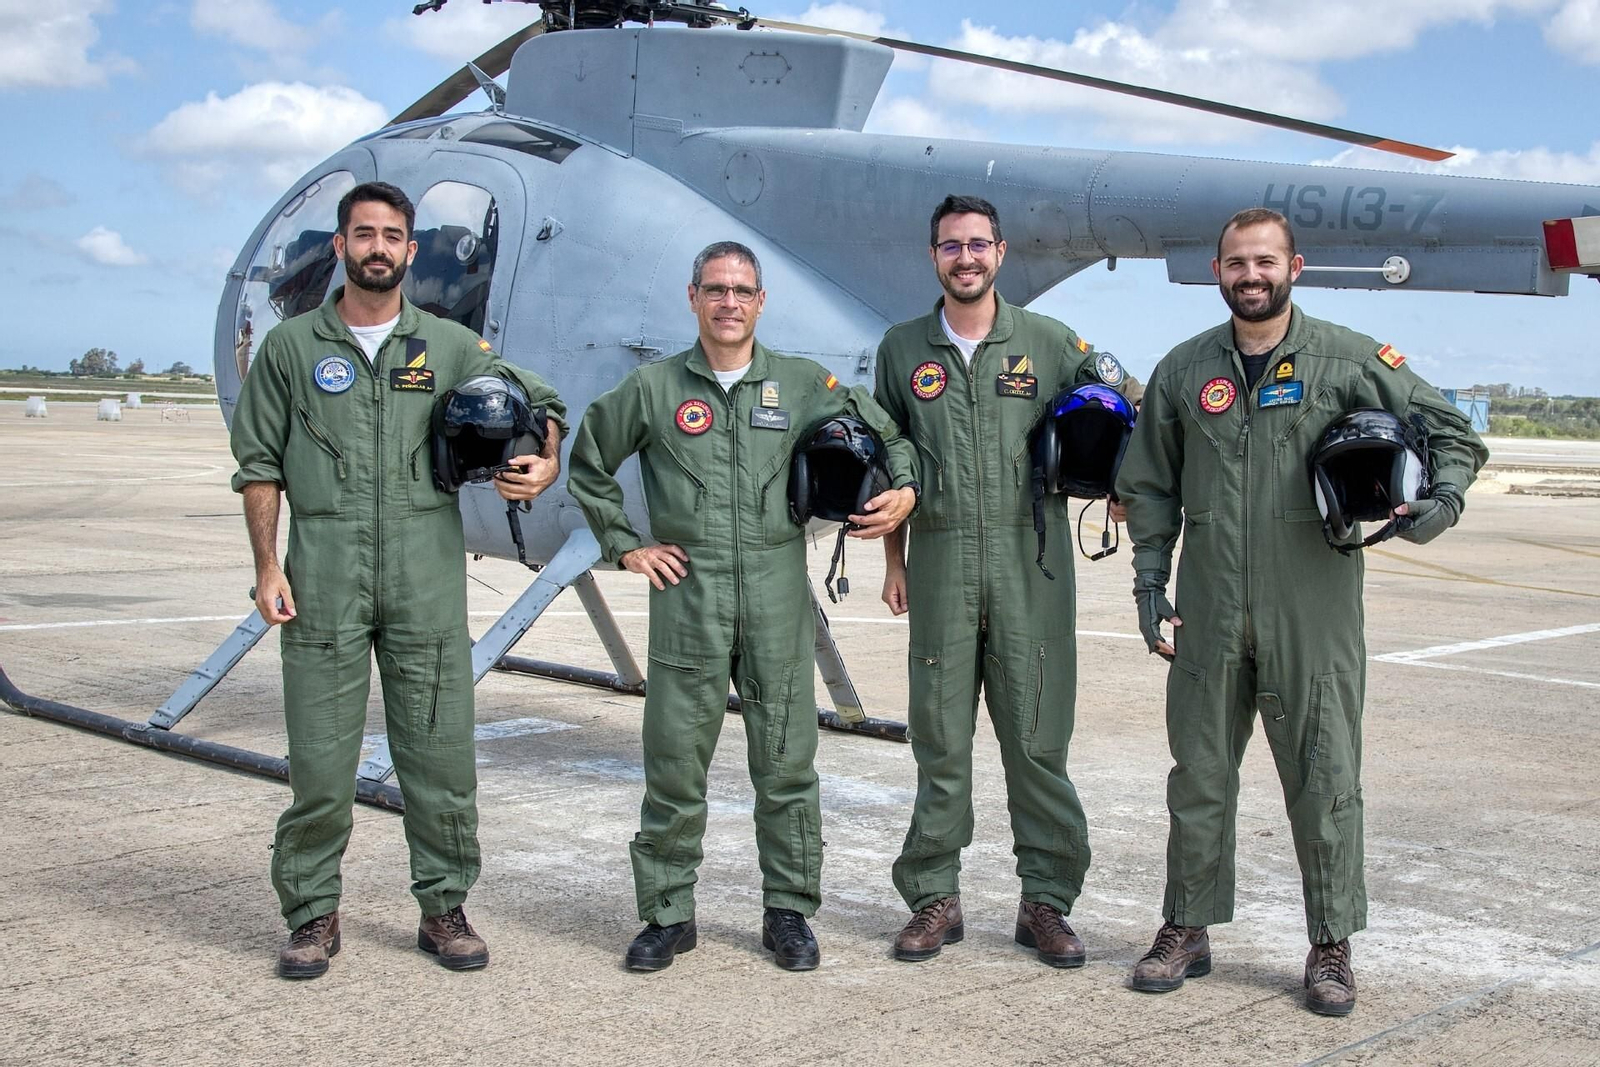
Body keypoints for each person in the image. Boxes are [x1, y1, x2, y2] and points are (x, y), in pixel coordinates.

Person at [1115, 207, 1488, 1016]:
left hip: (1312, 609)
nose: (1251, 275)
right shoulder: (1183, 372)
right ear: (1217, 272)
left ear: (1295, 266)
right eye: (1236, 262)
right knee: (1200, 776)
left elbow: (1453, 433)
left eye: (1265, 261)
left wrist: (1440, 502)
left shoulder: (1348, 359)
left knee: (1325, 778)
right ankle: (1187, 924)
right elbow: (1148, 487)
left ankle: (1331, 945)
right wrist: (1151, 589)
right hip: (1210, 607)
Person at [230, 181, 566, 979]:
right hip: (324, 569)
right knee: (318, 760)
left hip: (423, 569)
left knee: (440, 753)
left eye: (392, 236)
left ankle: (443, 908)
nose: (377, 247)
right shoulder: (290, 349)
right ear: (341, 246)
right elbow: (259, 467)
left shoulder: (448, 345)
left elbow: (540, 399)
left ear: (411, 252)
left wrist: (544, 457)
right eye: (363, 234)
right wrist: (267, 566)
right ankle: (312, 914)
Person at [567, 240, 918, 973]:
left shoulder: (798, 382)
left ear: (761, 302)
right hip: (686, 592)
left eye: (743, 291)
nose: (729, 302)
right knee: (673, 764)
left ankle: (787, 911)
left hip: (774, 590)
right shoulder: (654, 388)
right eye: (716, 289)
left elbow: (884, 430)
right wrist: (625, 545)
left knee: (787, 762)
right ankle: (668, 914)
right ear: (693, 298)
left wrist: (905, 488)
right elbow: (589, 459)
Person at [874, 195, 1136, 967]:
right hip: (941, 560)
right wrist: (893, 561)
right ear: (934, 257)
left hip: (1035, 563)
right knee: (940, 741)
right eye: (951, 245)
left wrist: (1123, 476)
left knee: (1037, 739)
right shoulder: (901, 350)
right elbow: (889, 455)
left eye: (978, 244)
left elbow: (1123, 407)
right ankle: (934, 898)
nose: (966, 257)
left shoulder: (1049, 341)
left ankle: (1045, 902)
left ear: (1001, 252)